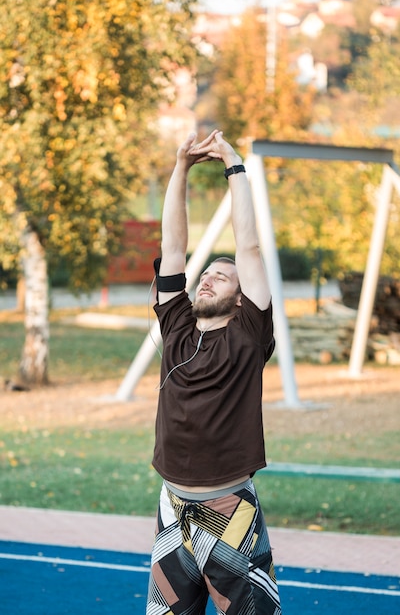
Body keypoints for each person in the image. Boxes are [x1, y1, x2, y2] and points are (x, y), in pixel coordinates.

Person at [146, 130, 281, 615]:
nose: (207, 278)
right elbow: (174, 245)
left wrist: (234, 166)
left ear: (243, 297)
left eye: (221, 276)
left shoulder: (247, 334)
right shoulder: (178, 328)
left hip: (230, 513)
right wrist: (181, 165)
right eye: (207, 274)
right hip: (172, 510)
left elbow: (249, 247)